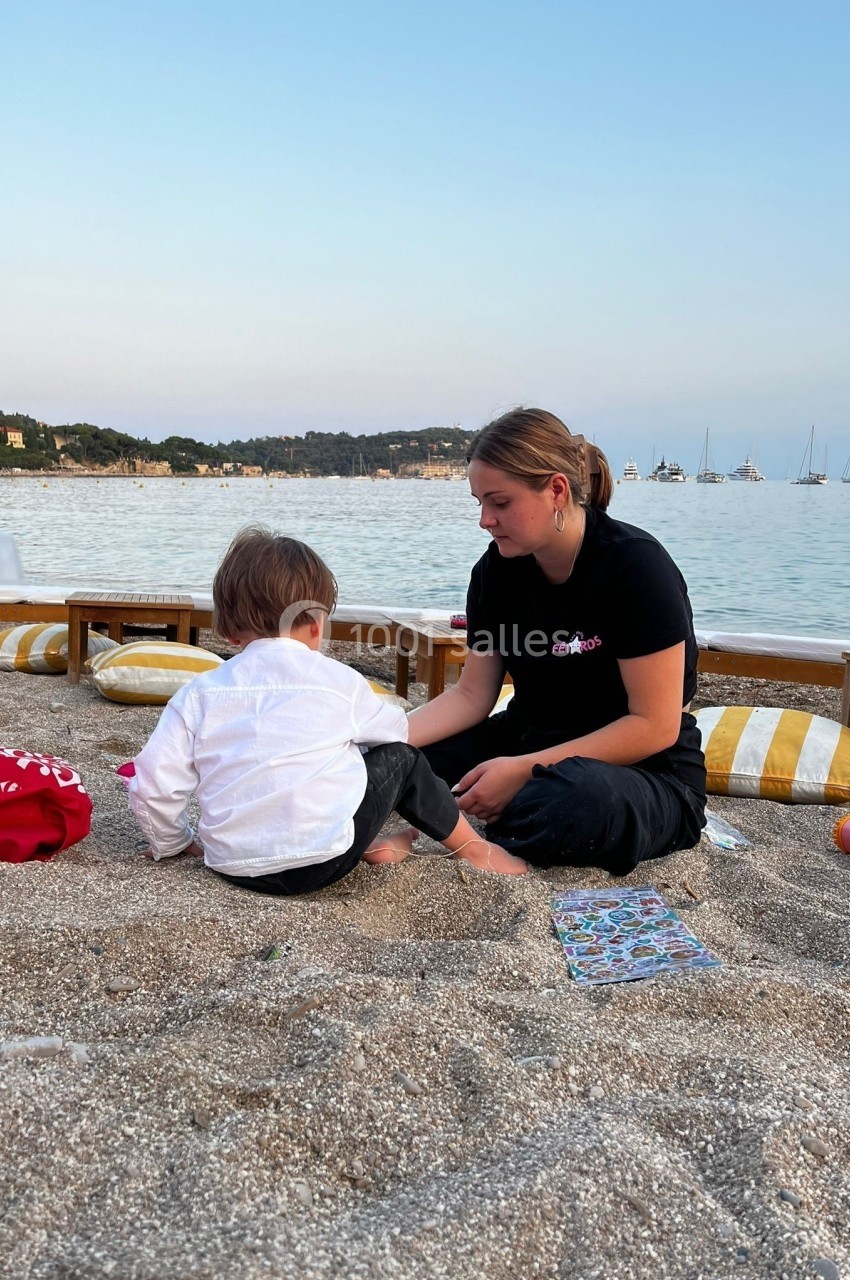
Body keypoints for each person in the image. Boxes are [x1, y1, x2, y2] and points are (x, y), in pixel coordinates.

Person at [125, 527, 526, 893]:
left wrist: (173, 843)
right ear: (317, 625)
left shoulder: (200, 692)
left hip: (233, 864)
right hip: (323, 863)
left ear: (228, 632)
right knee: (399, 760)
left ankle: (374, 845)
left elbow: (154, 782)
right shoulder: (338, 681)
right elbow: (396, 734)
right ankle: (473, 849)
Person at [406, 408, 707, 875]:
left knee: (573, 800)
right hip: (528, 735)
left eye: (500, 502)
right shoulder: (495, 573)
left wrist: (522, 770)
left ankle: (500, 813)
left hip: (645, 768)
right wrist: (378, 737)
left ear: (556, 490)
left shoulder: (636, 569)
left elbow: (654, 725)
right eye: (478, 502)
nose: (485, 519)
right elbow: (471, 696)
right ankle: (485, 808)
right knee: (399, 763)